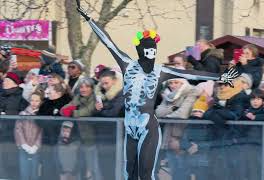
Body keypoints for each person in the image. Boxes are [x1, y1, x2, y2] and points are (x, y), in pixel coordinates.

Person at [77, 4, 238, 179]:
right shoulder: (127, 64)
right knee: (128, 174)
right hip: (130, 127)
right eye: (148, 52)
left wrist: (220, 77)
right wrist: (88, 18)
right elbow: (108, 42)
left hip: (148, 127)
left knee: (147, 175)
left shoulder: (160, 70)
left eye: (154, 52)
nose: (151, 57)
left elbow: (192, 73)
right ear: (141, 52)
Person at [60, 77, 102, 180]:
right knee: (80, 165)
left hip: (92, 138)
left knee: (93, 166)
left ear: (92, 88)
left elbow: (87, 111)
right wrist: (67, 109)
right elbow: (64, 109)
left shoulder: (96, 98)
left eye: (87, 87)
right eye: (81, 87)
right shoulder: (77, 97)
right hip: (78, 138)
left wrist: (72, 112)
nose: (83, 89)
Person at [37, 83, 72, 180]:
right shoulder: (46, 103)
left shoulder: (65, 103)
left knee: (58, 163)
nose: (48, 93)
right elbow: (38, 119)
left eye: (50, 91)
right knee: (46, 162)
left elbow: (64, 121)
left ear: (58, 93)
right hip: (46, 138)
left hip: (60, 140)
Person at [156, 78, 200, 150]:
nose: (173, 85)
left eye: (176, 82)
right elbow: (158, 112)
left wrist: (166, 114)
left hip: (185, 130)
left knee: (179, 150)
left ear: (183, 83)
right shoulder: (168, 95)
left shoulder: (191, 91)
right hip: (169, 131)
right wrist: (173, 108)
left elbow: (182, 114)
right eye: (170, 83)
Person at [0, 71, 28, 179]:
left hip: (12, 137)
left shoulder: (21, 97)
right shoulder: (1, 94)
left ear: (15, 83)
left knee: (11, 163)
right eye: (4, 80)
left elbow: (26, 114)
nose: (4, 82)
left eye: (7, 80)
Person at [15, 92, 44, 180]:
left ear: (40, 102)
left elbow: (42, 132)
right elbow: (18, 129)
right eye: (32, 100)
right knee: (24, 172)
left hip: (36, 149)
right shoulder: (23, 113)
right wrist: (23, 144)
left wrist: (36, 145)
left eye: (37, 101)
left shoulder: (42, 114)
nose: (34, 103)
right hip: (24, 148)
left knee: (35, 172)